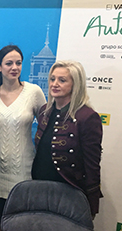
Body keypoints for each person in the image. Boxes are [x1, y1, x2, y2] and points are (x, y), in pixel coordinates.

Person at [0, 45, 46, 229]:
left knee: (20, 224)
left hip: (24, 172)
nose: (14, 67)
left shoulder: (33, 92)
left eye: (18, 63)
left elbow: (46, 125)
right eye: (9, 63)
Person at [32, 60, 103, 217]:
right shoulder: (45, 111)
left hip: (70, 192)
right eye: (52, 79)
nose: (54, 84)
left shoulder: (87, 117)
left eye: (62, 80)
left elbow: (92, 166)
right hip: (40, 188)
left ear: (75, 84)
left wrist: (91, 204)